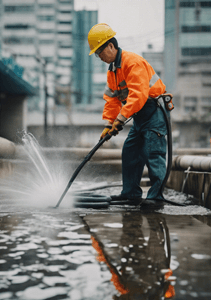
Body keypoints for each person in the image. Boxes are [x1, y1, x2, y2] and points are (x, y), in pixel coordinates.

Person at [88, 23, 169, 208]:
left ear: (110, 46)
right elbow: (112, 100)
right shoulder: (112, 71)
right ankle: (131, 194)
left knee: (153, 154)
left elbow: (139, 95)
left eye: (100, 51)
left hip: (154, 112)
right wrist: (109, 124)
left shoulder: (132, 62)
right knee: (130, 152)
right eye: (96, 54)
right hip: (139, 116)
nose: (99, 56)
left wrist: (120, 119)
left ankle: (156, 198)